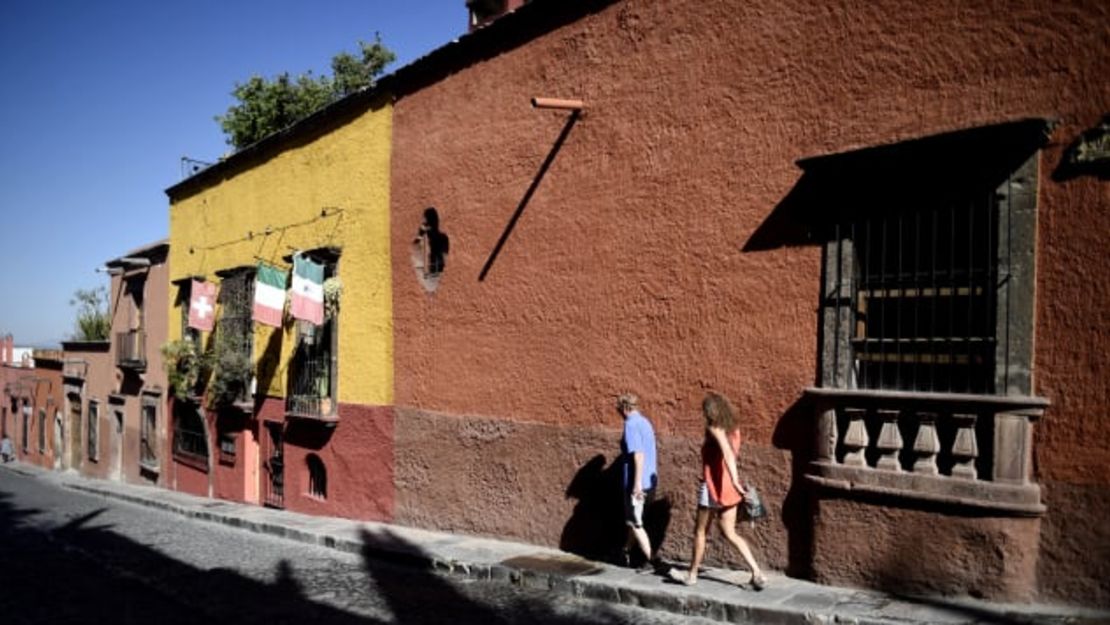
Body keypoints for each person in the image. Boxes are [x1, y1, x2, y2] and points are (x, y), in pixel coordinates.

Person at [669, 391, 767, 590]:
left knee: (700, 531)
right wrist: (735, 483)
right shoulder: (734, 428)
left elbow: (728, 454)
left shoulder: (715, 428)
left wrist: (735, 481)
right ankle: (757, 572)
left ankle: (692, 575)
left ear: (711, 412)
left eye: (705, 411)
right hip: (728, 489)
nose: (704, 415)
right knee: (730, 533)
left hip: (713, 487)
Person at [617, 392, 659, 571]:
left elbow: (639, 455)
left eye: (619, 410)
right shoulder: (645, 422)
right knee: (634, 520)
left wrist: (636, 484)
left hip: (637, 484)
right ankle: (625, 551)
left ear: (626, 408)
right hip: (649, 481)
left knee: (636, 522)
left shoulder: (631, 424)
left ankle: (652, 560)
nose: (619, 414)